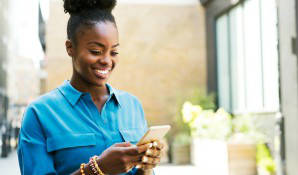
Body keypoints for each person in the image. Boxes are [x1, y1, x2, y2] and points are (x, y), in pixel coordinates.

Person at [17, 0, 164, 174]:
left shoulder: (132, 106)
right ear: (70, 48)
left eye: (114, 52)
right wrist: (97, 169)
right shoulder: (40, 113)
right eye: (96, 51)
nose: (107, 61)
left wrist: (146, 166)